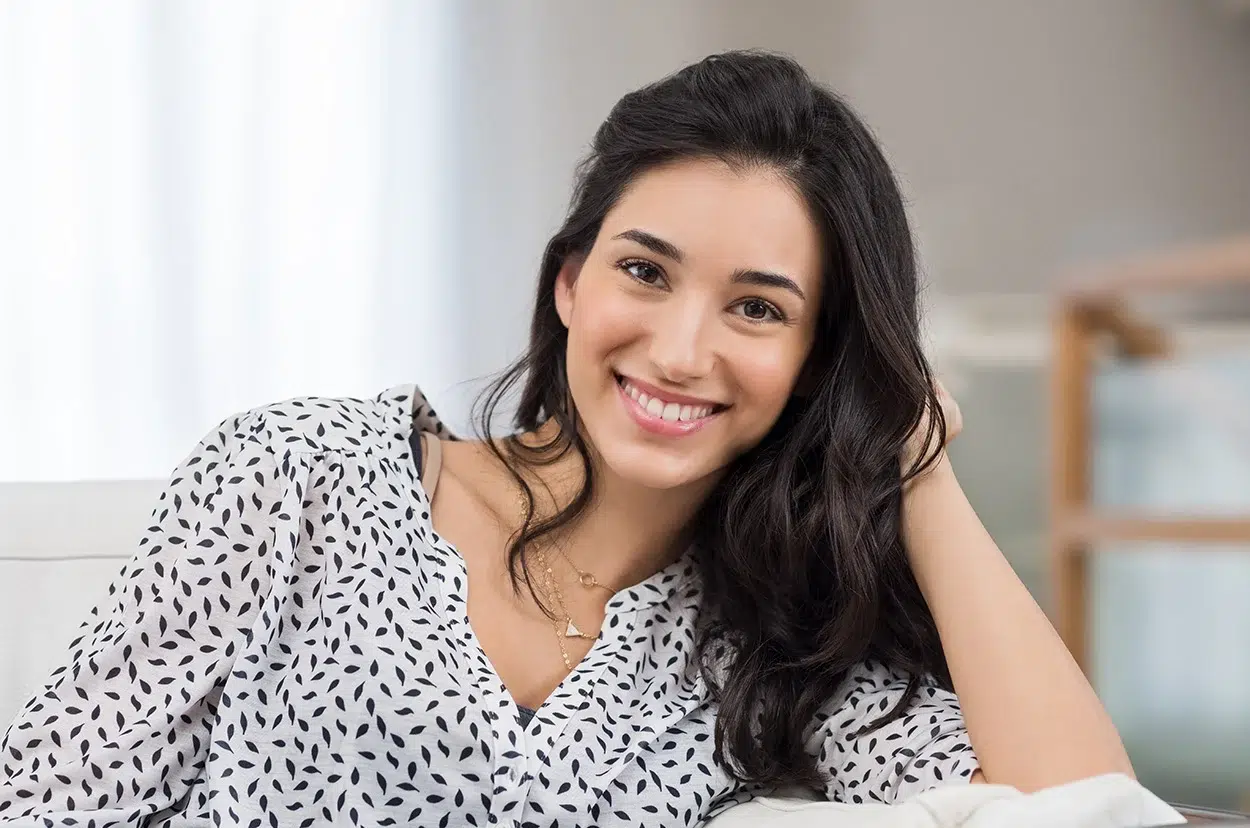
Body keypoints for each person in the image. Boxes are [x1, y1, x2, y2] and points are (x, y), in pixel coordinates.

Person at [0, 50, 1131, 827]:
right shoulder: (297, 473)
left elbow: (1082, 810)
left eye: (757, 308)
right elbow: (48, 800)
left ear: (813, 360)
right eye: (644, 271)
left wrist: (912, 455)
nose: (682, 350)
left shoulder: (783, 652)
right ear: (569, 283)